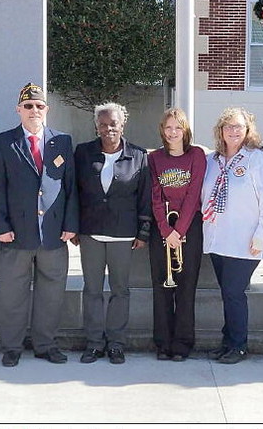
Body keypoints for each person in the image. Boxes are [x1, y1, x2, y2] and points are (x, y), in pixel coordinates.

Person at [0, 83, 78, 367]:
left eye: (39, 106)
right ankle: (12, 346)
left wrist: (70, 223)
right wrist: (0, 224)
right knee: (13, 294)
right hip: (16, 232)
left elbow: (70, 187)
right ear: (19, 110)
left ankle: (45, 344)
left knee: (51, 293)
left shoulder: (62, 141)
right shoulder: (4, 142)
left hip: (53, 233)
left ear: (47, 110)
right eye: (28, 106)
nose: (34, 111)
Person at [74, 102, 151, 365]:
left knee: (120, 290)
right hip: (91, 232)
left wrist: (143, 231)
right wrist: (73, 226)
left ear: (123, 124)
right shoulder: (83, 153)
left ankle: (116, 343)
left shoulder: (139, 156)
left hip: (123, 234)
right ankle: (94, 343)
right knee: (92, 289)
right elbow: (74, 192)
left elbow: (145, 198)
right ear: (96, 126)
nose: (108, 129)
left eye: (113, 124)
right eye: (103, 124)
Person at [202, 107, 263, 364]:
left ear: (248, 130)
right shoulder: (212, 161)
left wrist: (262, 233)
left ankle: (239, 345)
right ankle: (227, 342)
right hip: (217, 239)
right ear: (220, 131)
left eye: (239, 126)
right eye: (228, 126)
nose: (233, 131)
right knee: (227, 293)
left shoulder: (258, 161)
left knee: (234, 293)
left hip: (246, 242)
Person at [147, 108, 207, 362]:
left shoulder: (197, 155)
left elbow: (194, 195)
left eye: (178, 128)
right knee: (161, 286)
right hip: (162, 228)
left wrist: (179, 230)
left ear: (185, 130)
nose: (173, 132)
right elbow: (155, 195)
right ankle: (163, 343)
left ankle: (182, 343)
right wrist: (165, 230)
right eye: (168, 128)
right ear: (162, 130)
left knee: (185, 287)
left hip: (189, 227)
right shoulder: (154, 158)